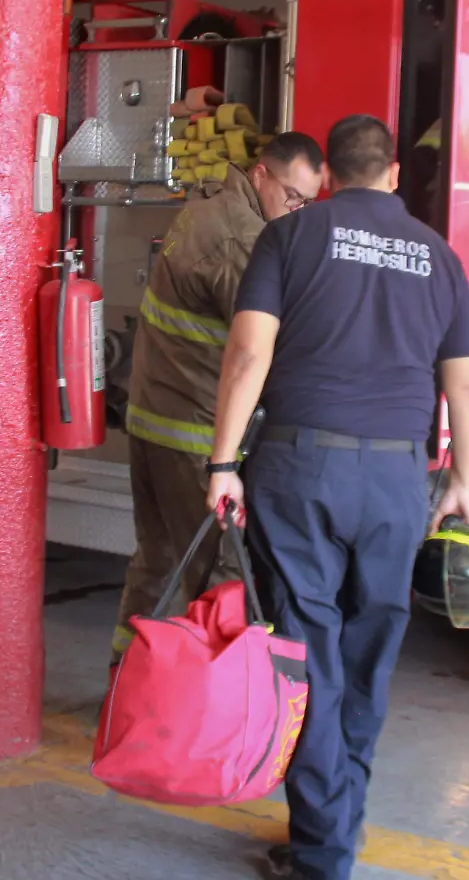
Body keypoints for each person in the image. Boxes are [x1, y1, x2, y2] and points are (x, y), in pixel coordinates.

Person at [203, 114, 469, 880]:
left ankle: (325, 847)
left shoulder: (290, 238)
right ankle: (332, 829)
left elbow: (249, 353)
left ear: (329, 177)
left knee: (309, 650)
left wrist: (223, 462)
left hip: (302, 470)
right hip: (398, 479)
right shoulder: (440, 258)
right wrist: (461, 481)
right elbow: (462, 384)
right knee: (366, 660)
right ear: (395, 174)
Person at [110, 131, 326, 661]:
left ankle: (128, 681)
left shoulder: (209, 210)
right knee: (219, 576)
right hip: (194, 433)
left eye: (309, 201)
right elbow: (261, 344)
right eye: (293, 196)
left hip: (155, 421)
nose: (298, 210)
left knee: (157, 561)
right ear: (261, 176)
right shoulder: (242, 242)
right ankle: (210, 712)